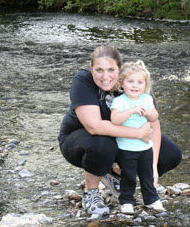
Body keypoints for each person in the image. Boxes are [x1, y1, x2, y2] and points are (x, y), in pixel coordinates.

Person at [58, 45, 182, 215]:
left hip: (121, 140)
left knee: (170, 154)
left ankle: (114, 175)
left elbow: (154, 125)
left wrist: (153, 166)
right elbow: (94, 126)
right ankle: (91, 191)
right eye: (99, 70)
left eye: (111, 70)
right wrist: (138, 134)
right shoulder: (83, 80)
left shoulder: (133, 82)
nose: (105, 76)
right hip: (79, 140)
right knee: (102, 144)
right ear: (91, 69)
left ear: (120, 69)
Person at [111, 60, 164, 214]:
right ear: (122, 83)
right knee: (129, 176)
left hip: (145, 147)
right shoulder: (120, 101)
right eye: (130, 81)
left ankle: (152, 199)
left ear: (145, 84)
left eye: (139, 82)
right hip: (126, 148)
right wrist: (132, 110)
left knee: (146, 175)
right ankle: (126, 200)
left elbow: (155, 117)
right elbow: (115, 119)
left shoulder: (147, 99)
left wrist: (148, 113)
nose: (135, 86)